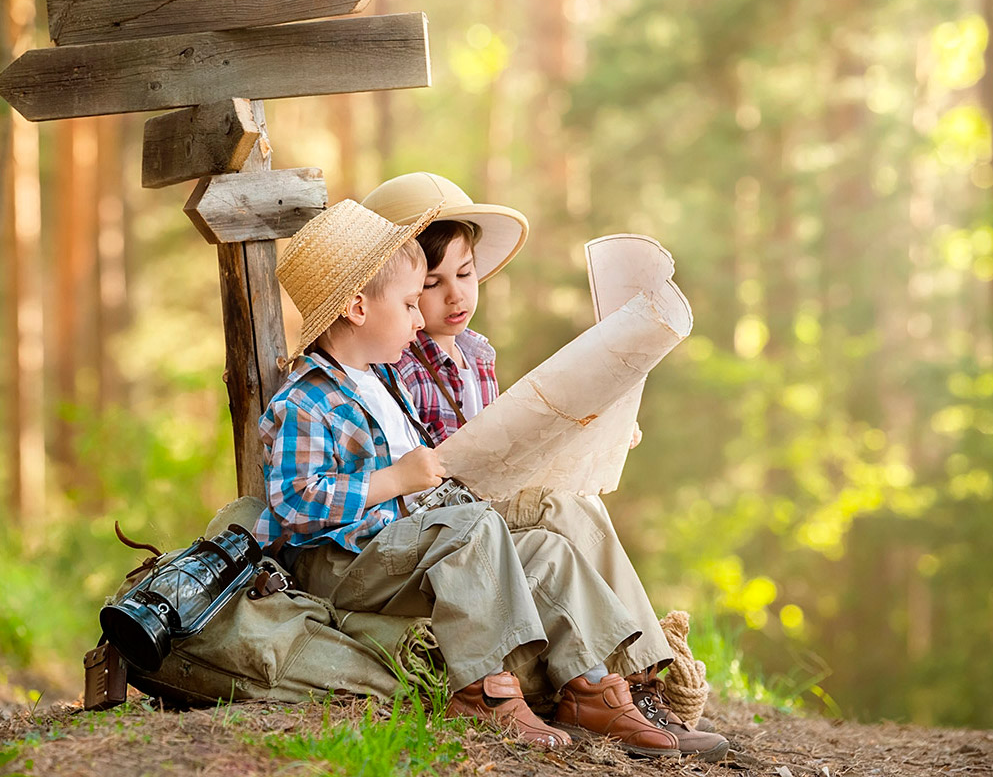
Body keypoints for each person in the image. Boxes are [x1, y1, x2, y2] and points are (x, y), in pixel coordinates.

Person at [254, 199, 682, 756]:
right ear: (358, 307)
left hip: (409, 546)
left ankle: (592, 685)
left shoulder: (381, 386)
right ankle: (485, 690)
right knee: (474, 527)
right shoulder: (308, 400)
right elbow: (294, 505)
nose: (417, 319)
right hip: (346, 563)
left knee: (549, 551)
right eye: (411, 303)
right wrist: (393, 479)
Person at [361, 172, 729, 761]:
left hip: (490, 492)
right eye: (430, 286)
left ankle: (632, 680)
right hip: (448, 513)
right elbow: (431, 458)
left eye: (465, 275)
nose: (455, 296)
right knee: (560, 507)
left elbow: (507, 435)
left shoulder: (477, 352)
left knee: (581, 500)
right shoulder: (391, 358)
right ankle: (617, 679)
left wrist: (588, 435)